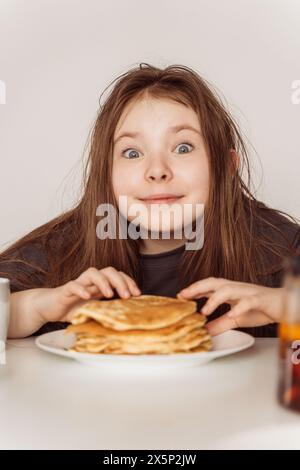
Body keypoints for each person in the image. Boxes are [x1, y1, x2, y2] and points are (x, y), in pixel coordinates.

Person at [1, 63, 299, 339]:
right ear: (106, 173)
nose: (157, 171)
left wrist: (286, 305)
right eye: (132, 153)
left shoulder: (275, 244)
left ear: (226, 165)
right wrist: (33, 307)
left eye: (183, 147)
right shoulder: (63, 247)